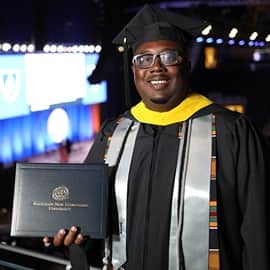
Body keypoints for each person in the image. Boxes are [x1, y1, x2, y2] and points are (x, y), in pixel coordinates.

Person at [43, 4, 269, 270]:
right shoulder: (113, 134)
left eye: (168, 56)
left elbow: (257, 233)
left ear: (185, 63)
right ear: (134, 70)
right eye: (144, 59)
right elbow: (87, 215)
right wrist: (69, 232)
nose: (156, 68)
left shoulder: (231, 133)